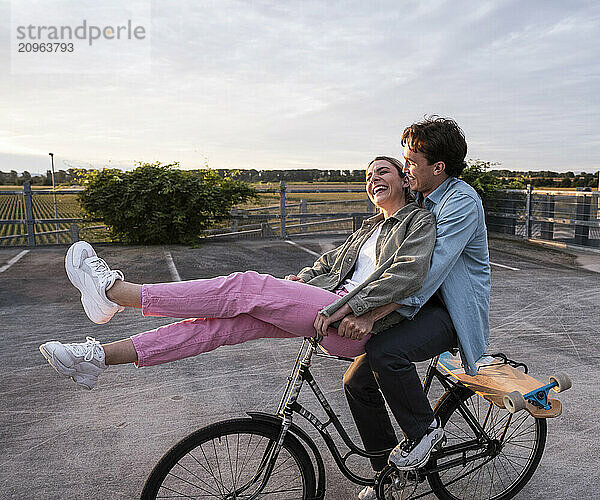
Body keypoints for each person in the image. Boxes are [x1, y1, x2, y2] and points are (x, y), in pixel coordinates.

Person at [40, 156, 438, 395]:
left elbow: (409, 274)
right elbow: (326, 264)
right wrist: (300, 280)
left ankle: (117, 293)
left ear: (404, 179)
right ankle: (97, 358)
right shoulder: (367, 229)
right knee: (219, 328)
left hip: (353, 323)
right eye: (368, 176)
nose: (374, 179)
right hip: (328, 310)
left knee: (243, 287)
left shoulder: (418, 221)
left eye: (384, 171)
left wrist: (355, 309)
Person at [350, 117, 491, 500]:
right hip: (418, 308)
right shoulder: (423, 199)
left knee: (386, 352)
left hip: (451, 314)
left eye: (411, 161)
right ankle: (387, 476)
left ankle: (424, 431)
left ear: (438, 167)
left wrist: (372, 313)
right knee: (356, 381)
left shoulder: (461, 203)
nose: (405, 167)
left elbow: (427, 272)